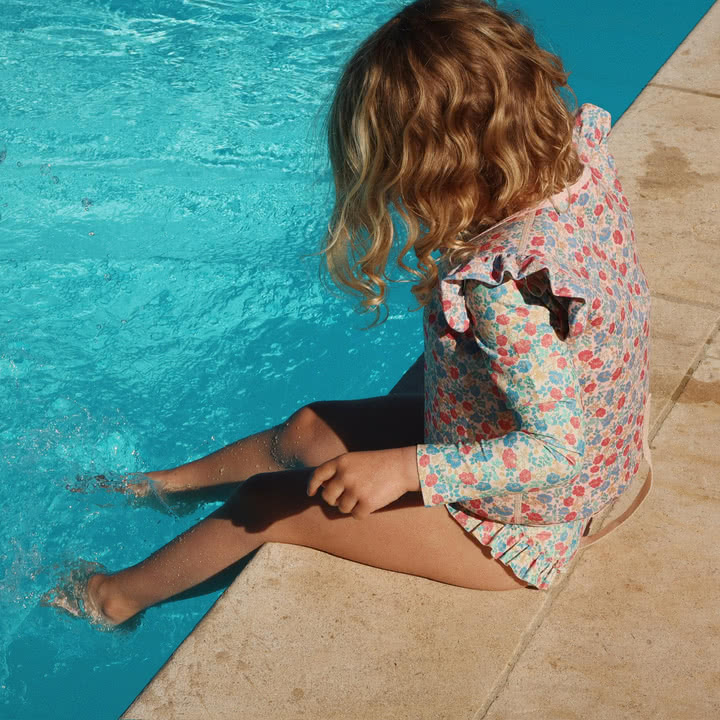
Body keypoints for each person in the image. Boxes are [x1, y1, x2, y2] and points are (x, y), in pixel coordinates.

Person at [48, 0, 651, 627]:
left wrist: (405, 469)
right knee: (307, 430)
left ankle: (112, 599)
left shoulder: (504, 289)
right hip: (535, 441)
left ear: (434, 168)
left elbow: (555, 450)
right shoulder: (578, 169)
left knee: (271, 505)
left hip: (522, 523)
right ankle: (168, 489)